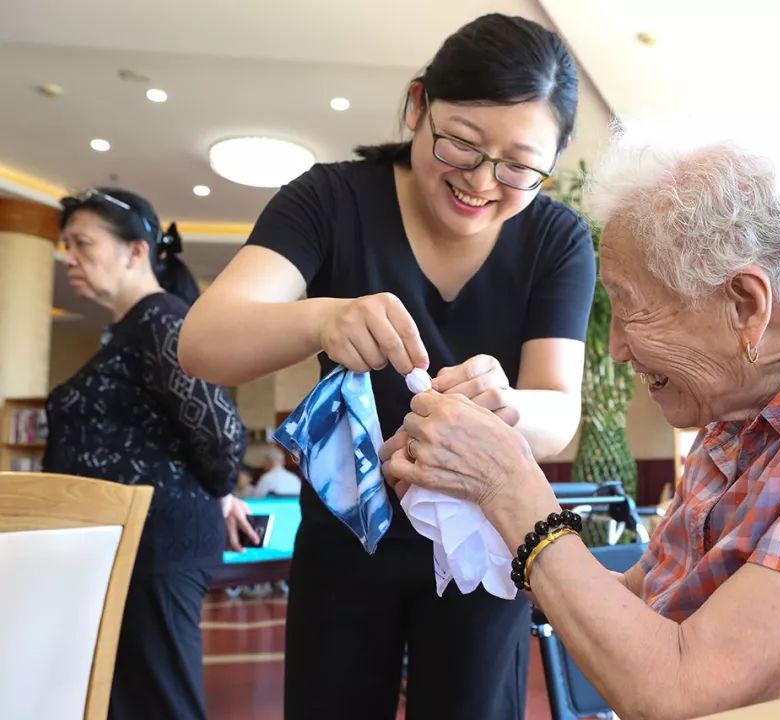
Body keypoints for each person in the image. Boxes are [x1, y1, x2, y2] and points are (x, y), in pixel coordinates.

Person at [381, 139, 780, 719]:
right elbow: (639, 603)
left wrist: (510, 487)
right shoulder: (738, 416)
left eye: (629, 309)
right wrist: (476, 509)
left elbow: (683, 696)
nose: (618, 349)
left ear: (745, 305)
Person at [178, 14, 594, 720]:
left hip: (481, 546)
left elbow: (560, 415)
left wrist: (510, 403)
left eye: (519, 165)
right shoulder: (330, 201)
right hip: (345, 540)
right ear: (416, 105)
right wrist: (322, 317)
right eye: (461, 141)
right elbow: (204, 341)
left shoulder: (555, 240)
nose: (482, 181)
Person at [42, 188, 253, 720]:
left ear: (136, 252)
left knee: (160, 704)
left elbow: (222, 431)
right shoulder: (130, 330)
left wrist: (219, 491)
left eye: (82, 243)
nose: (69, 258)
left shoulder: (161, 319)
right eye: (66, 245)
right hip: (129, 545)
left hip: (156, 546)